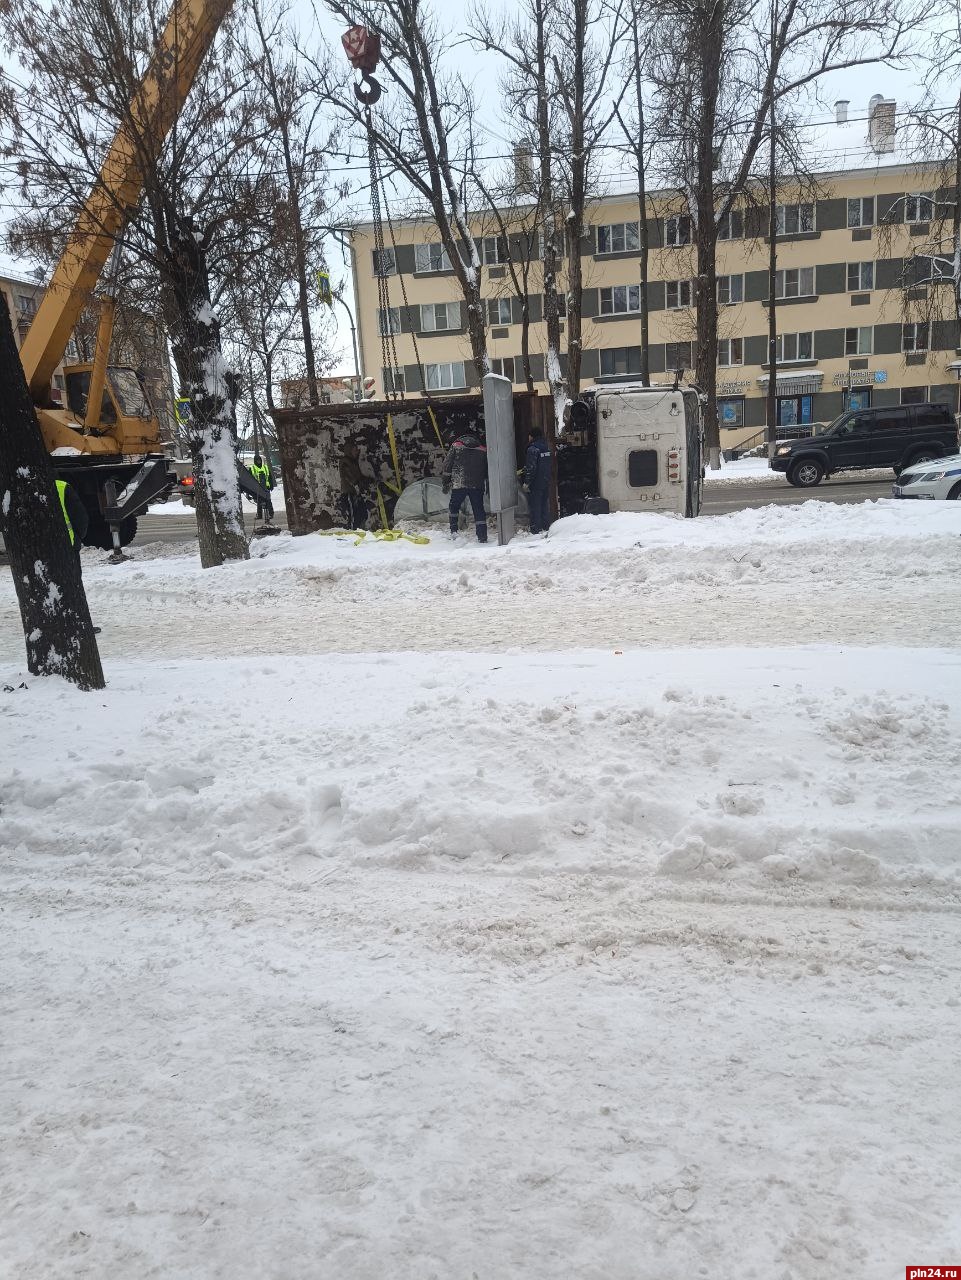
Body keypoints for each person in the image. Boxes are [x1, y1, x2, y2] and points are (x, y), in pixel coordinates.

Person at [55, 477, 100, 633]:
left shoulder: (22, 485)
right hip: (66, 545)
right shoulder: (62, 487)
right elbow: (80, 518)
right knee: (72, 585)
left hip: (37, 550)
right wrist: (78, 537)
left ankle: (55, 624)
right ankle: (78, 623)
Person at [441, 428, 488, 542]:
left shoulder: (456, 445)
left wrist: (446, 481)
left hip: (459, 482)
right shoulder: (482, 449)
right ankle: (482, 537)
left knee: (454, 507)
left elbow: (447, 465)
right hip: (477, 485)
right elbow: (486, 468)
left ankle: (454, 532)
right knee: (479, 510)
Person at [524, 426, 553, 535]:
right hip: (545, 481)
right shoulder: (545, 447)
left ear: (532, 436)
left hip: (535, 483)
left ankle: (535, 529)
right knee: (544, 505)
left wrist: (527, 482)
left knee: (535, 506)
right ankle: (545, 526)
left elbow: (531, 467)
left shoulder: (533, 449)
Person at [338, 440, 370, 530]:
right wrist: (356, 484)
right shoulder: (345, 462)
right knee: (353, 515)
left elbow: (358, 476)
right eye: (355, 450)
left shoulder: (353, 462)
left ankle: (360, 530)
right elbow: (348, 476)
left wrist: (368, 480)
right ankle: (352, 533)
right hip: (349, 492)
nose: (357, 452)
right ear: (349, 451)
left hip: (355, 493)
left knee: (362, 513)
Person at [248, 453, 274, 524]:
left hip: (266, 487)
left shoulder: (265, 467)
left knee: (268, 500)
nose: (259, 461)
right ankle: (259, 515)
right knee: (259, 501)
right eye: (257, 460)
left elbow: (270, 477)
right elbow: (250, 479)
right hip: (257, 487)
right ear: (255, 461)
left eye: (259, 460)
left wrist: (271, 485)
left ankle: (271, 514)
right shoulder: (252, 468)